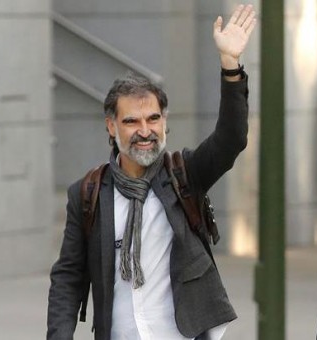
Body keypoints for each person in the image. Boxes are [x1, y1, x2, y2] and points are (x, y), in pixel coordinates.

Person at [46, 5, 256, 340]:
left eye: (153, 119)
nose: (145, 131)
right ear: (111, 126)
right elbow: (69, 277)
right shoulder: (88, 194)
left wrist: (230, 66)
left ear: (165, 122)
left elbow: (231, 139)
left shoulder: (184, 176)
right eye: (131, 121)